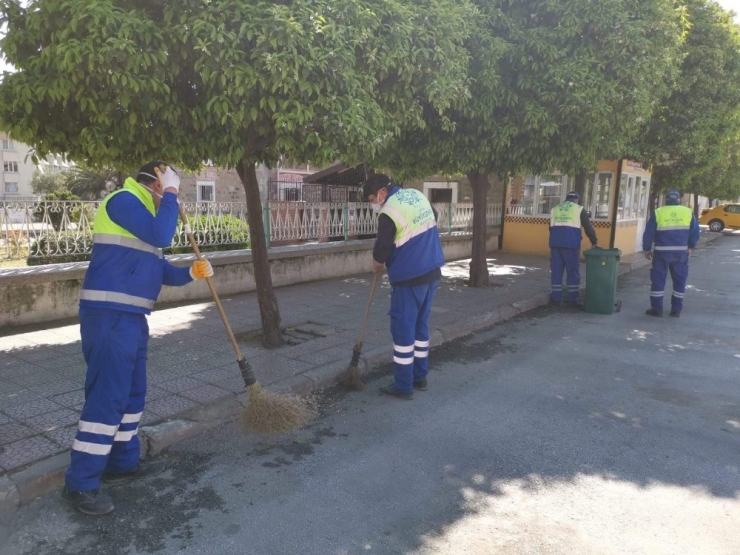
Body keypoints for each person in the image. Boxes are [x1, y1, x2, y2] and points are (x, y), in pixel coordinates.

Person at [64, 161, 214, 515]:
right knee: (107, 398)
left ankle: (122, 464)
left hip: (133, 318)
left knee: (132, 397)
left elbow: (159, 269)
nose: (173, 194)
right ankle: (81, 483)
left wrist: (191, 273)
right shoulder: (123, 200)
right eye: (171, 185)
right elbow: (163, 235)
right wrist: (173, 195)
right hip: (109, 317)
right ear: (157, 182)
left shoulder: (146, 213)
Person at [365, 174, 445, 400]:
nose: (373, 203)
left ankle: (403, 386)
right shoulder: (417, 195)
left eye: (372, 198)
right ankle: (420, 377)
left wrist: (376, 265)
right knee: (421, 327)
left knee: (403, 332)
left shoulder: (389, 211)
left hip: (409, 278)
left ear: (382, 192)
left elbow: (381, 249)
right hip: (432, 271)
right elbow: (434, 216)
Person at [642, 190, 699, 318]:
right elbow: (695, 232)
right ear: (678, 200)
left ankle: (657, 309)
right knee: (680, 280)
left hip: (661, 252)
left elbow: (649, 233)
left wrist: (646, 249)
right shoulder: (688, 212)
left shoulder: (658, 212)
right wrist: (690, 247)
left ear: (666, 200)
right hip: (680, 252)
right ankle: (676, 310)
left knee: (658, 279)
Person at [549, 190, 598, 306]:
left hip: (555, 245)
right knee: (572, 271)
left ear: (566, 198)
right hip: (571, 245)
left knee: (556, 271)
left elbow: (550, 228)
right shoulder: (579, 209)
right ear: (577, 199)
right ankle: (572, 299)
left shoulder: (555, 209)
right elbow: (588, 227)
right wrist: (594, 241)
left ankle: (556, 298)